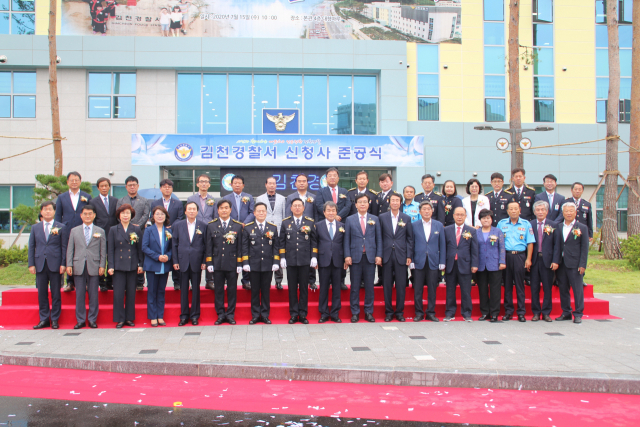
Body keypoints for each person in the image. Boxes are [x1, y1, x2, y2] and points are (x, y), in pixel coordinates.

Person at [28, 201, 68, 330]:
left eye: (50, 209)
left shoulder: (61, 226)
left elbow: (64, 247)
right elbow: (32, 247)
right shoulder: (35, 228)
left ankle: (55, 319)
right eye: (45, 209)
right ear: (41, 212)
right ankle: (44, 319)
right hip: (40, 264)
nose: (47, 211)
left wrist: (63, 263)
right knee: (42, 293)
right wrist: (31, 264)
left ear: (54, 211)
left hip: (55, 265)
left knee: (56, 293)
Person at [66, 204, 106, 330]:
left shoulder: (100, 231)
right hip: (78, 265)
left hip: (94, 265)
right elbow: (70, 249)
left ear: (94, 215)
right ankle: (81, 320)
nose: (87, 216)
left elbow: (103, 250)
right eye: (85, 214)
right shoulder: (74, 230)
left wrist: (102, 265)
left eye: (90, 214)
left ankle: (92, 319)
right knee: (80, 294)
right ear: (81, 215)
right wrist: (69, 264)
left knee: (94, 294)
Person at [344, 193, 382, 323]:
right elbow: (346, 239)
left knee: (369, 287)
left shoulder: (375, 219)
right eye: (360, 202)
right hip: (355, 258)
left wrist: (378, 255)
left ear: (368, 203)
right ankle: (355, 312)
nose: (362, 204)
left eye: (365, 202)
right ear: (355, 204)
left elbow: (379, 239)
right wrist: (347, 255)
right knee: (354, 287)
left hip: (370, 257)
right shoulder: (350, 219)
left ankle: (368, 312)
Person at [279, 198, 318, 324]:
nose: (297, 208)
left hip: (305, 260)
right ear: (290, 208)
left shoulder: (310, 222)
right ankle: (293, 314)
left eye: (299, 206)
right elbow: (282, 242)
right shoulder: (285, 223)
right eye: (294, 206)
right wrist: (283, 257)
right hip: (290, 260)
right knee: (291, 288)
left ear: (303, 208)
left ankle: (303, 314)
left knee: (303, 288)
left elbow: (314, 241)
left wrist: (314, 256)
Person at [205, 199, 243, 325]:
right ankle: (220, 314)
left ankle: (230, 314)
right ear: (218, 210)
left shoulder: (237, 226)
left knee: (232, 290)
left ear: (230, 210)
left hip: (232, 263)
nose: (224, 210)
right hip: (217, 263)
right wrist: (209, 263)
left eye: (226, 208)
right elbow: (208, 247)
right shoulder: (211, 225)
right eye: (222, 208)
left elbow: (239, 247)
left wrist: (239, 263)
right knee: (219, 290)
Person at [242, 202, 281, 324]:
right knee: (254, 291)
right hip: (253, 264)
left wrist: (276, 261)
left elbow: (276, 247)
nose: (261, 213)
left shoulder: (272, 227)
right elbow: (244, 247)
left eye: (263, 211)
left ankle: (264, 314)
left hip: (267, 264)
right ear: (254, 213)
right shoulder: (248, 228)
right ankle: (254, 315)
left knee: (265, 290)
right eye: (258, 211)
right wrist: (245, 262)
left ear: (266, 213)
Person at [498, 201, 535, 322]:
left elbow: (530, 242)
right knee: (507, 285)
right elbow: (498, 242)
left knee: (520, 285)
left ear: (520, 210)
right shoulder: (501, 223)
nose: (513, 211)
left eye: (515, 209)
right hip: (506, 256)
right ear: (507, 211)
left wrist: (528, 259)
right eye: (511, 209)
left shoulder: (526, 224)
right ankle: (508, 311)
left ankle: (521, 312)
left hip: (520, 256)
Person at [107, 203, 143, 329]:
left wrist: (140, 264)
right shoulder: (113, 229)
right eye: (123, 213)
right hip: (118, 266)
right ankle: (119, 319)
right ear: (119, 215)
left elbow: (139, 249)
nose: (125, 215)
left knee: (131, 293)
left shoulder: (136, 229)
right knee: (118, 294)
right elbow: (110, 249)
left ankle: (129, 318)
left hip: (132, 265)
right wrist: (110, 265)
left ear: (131, 215)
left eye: (127, 213)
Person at [379, 193, 414, 322]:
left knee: (401, 286)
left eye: (397, 201)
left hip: (401, 255)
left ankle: (399, 312)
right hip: (386, 255)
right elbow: (379, 238)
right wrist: (379, 255)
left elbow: (410, 239)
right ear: (389, 201)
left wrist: (409, 255)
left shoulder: (406, 218)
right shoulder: (382, 217)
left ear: (400, 203)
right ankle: (388, 312)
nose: (394, 202)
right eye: (392, 200)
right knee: (387, 285)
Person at [55, 171, 92, 292]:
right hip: (67, 230)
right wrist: (57, 230)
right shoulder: (61, 197)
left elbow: (90, 213)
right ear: (67, 182)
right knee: (69, 253)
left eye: (77, 180)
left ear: (80, 181)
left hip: (83, 229)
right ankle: (70, 282)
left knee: (83, 253)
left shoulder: (87, 196)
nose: (74, 182)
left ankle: (85, 281)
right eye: (72, 180)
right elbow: (58, 216)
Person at [172, 202, 207, 326]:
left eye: (194, 209)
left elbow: (205, 245)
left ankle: (195, 315)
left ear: (197, 212)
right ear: (185, 211)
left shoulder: (203, 226)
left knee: (196, 289)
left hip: (197, 262)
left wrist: (204, 261)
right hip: (182, 261)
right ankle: (184, 315)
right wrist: (175, 261)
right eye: (189, 209)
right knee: (183, 290)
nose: (191, 211)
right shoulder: (178, 225)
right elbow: (174, 244)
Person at [410, 201, 446, 322]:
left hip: (433, 261)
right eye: (424, 209)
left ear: (432, 211)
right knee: (418, 289)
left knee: (432, 289)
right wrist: (411, 260)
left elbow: (442, 244)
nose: (426, 211)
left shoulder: (438, 225)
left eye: (428, 209)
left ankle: (431, 312)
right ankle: (419, 313)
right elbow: (411, 244)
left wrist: (442, 261)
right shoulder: (414, 225)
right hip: (418, 261)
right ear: (419, 212)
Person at [443, 207, 479, 322]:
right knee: (450, 290)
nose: (459, 217)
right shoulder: (447, 230)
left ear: (465, 216)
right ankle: (450, 313)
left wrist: (474, 264)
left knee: (466, 291)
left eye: (462, 215)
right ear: (453, 215)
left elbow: (474, 250)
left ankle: (467, 313)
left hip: (465, 265)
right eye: (457, 214)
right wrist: (442, 263)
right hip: (450, 264)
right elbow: (443, 248)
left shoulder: (471, 231)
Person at [285, 173, 319, 291]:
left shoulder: (313, 196)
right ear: (295, 183)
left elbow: (316, 213)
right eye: (299, 181)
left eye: (304, 181)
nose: (302, 183)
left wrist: (314, 226)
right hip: (294, 228)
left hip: (309, 228)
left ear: (307, 183)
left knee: (309, 255)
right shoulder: (290, 197)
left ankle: (312, 281)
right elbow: (288, 214)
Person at [555, 203, 589, 324]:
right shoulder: (558, 227)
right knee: (563, 288)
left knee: (577, 289)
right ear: (562, 213)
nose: (568, 213)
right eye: (566, 211)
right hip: (561, 263)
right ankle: (566, 312)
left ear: (575, 213)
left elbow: (585, 248)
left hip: (575, 263)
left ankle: (578, 313)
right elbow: (557, 246)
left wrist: (582, 264)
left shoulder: (582, 228)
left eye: (571, 211)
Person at [116, 176, 150, 290]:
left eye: (134, 184)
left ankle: (140, 280)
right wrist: (128, 227)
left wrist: (137, 227)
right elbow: (118, 215)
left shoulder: (144, 200)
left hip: (140, 231)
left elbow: (146, 215)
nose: (132, 187)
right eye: (129, 185)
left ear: (138, 186)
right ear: (126, 187)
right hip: (124, 232)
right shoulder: (120, 201)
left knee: (140, 254)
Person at [150, 179, 184, 291]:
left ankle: (177, 281)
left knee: (174, 255)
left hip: (173, 233)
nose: (167, 188)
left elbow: (180, 218)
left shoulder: (178, 203)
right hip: (159, 232)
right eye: (164, 186)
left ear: (172, 189)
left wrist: (171, 227)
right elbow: (152, 218)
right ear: (161, 189)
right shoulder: (155, 203)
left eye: (169, 186)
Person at [142, 206, 173, 327]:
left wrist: (168, 256)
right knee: (152, 291)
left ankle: (160, 316)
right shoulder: (148, 230)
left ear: (166, 217)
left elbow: (171, 248)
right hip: (152, 265)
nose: (160, 216)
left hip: (164, 265)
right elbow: (144, 247)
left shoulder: (168, 231)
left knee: (161, 291)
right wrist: (157, 257)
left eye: (162, 214)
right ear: (153, 216)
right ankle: (152, 316)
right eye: (157, 214)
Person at [530, 201, 560, 322]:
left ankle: (546, 312)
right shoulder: (530, 224)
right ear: (534, 212)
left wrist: (555, 261)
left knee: (547, 288)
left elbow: (557, 245)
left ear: (547, 211)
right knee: (534, 288)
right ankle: (536, 312)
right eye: (538, 210)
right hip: (534, 260)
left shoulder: (553, 225)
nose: (540, 212)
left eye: (543, 209)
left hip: (548, 261)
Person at [223, 174, 255, 289]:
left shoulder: (249, 197)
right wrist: (234, 224)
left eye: (239, 183)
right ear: (231, 185)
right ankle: (230, 279)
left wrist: (244, 223)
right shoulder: (226, 198)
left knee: (246, 252)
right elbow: (224, 212)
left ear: (243, 185)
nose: (237, 185)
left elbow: (252, 212)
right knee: (231, 252)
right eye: (235, 183)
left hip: (245, 229)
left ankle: (246, 279)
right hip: (231, 230)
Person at [255, 177, 287, 289]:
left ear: (276, 185)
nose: (272, 185)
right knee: (265, 252)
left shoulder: (282, 199)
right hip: (263, 228)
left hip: (278, 229)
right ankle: (264, 277)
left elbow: (284, 215)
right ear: (266, 185)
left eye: (274, 183)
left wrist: (283, 229)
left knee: (277, 252)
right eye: (270, 183)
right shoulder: (259, 198)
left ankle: (278, 280)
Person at [316, 201, 345, 323]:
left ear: (336, 212)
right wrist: (315, 259)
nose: (331, 213)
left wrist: (345, 259)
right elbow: (315, 243)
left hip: (338, 260)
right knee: (323, 287)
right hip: (323, 260)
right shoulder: (318, 225)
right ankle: (323, 313)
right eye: (328, 210)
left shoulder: (342, 225)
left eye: (333, 210)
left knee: (337, 288)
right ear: (324, 212)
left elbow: (345, 243)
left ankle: (335, 313)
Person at [475, 209, 506, 322]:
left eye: (488, 218)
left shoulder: (497, 231)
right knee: (482, 290)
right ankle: (485, 312)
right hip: (481, 264)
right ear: (480, 220)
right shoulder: (476, 232)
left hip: (495, 264)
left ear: (491, 219)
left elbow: (502, 247)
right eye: (483, 218)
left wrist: (502, 261)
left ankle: (494, 313)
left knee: (495, 290)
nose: (486, 220)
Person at [188, 173, 217, 289]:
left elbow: (215, 216)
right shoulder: (191, 198)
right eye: (201, 181)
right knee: (196, 253)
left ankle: (210, 280)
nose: (204, 183)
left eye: (206, 181)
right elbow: (190, 214)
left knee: (210, 253)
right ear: (197, 184)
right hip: (196, 229)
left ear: (209, 185)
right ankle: (193, 281)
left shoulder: (213, 199)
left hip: (209, 230)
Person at [90, 177, 118, 292]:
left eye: (106, 185)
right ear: (98, 188)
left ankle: (110, 281)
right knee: (101, 258)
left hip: (113, 234)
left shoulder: (115, 200)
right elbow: (92, 218)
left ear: (109, 186)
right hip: (99, 234)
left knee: (111, 258)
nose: (104, 188)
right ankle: (101, 282)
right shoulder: (92, 202)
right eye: (102, 186)